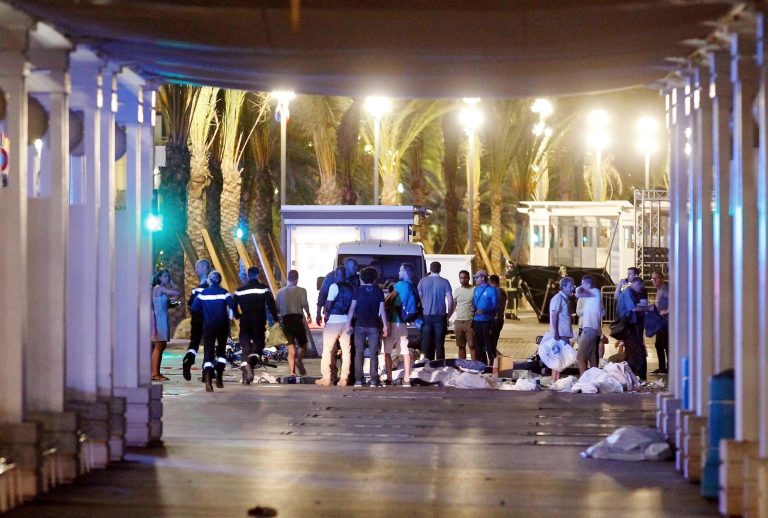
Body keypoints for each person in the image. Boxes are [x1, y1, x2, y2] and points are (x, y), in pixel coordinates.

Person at [234, 266, 279, 385]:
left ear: (248, 275)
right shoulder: (263, 289)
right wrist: (275, 318)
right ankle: (250, 364)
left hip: (245, 321)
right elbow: (271, 304)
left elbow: (233, 305)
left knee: (245, 347)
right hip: (258, 321)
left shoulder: (240, 290)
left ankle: (245, 374)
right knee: (258, 346)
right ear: (257, 275)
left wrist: (237, 315)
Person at [190, 271, 235, 392]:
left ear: (209, 280)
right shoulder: (224, 293)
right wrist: (231, 315)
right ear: (220, 281)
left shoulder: (203, 294)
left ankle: (208, 379)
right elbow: (232, 305)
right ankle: (219, 378)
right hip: (222, 326)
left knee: (208, 351)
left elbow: (194, 308)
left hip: (208, 326)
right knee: (221, 352)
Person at [344, 267, 388, 387]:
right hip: (374, 325)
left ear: (362, 278)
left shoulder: (358, 291)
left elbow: (352, 308)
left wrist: (348, 324)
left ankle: (358, 380)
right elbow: (382, 311)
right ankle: (373, 380)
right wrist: (385, 326)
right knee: (374, 353)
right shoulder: (378, 291)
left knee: (359, 353)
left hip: (359, 325)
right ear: (374, 278)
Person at [316, 266, 354, 387]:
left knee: (327, 350)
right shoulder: (351, 287)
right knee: (346, 351)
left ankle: (326, 377)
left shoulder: (334, 286)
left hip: (333, 321)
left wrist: (325, 313)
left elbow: (328, 304)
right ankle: (344, 378)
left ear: (336, 275)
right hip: (347, 321)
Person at [383, 263, 418, 387]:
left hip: (392, 322)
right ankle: (407, 379)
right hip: (403, 323)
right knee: (404, 351)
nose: (398, 273)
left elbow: (387, 303)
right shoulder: (413, 287)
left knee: (387, 351)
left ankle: (389, 378)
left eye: (400, 270)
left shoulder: (398, 285)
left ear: (405, 272)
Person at [276, 269, 313, 377]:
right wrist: (308, 314)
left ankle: (292, 373)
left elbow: (277, 308)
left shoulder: (279, 292)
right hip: (297, 320)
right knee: (303, 345)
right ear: (297, 279)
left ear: (287, 278)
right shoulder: (302, 291)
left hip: (286, 320)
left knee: (290, 348)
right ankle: (299, 359)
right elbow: (304, 304)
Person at [417, 261, 454, 361]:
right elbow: (450, 300)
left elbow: (418, 299)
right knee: (439, 344)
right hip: (440, 317)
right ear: (440, 269)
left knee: (426, 344)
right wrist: (448, 315)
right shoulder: (445, 282)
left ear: (430, 269)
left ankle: (427, 364)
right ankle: (440, 365)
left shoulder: (422, 281)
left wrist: (418, 313)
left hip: (426, 317)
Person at [182, 259, 211, 381]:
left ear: (204, 267)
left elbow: (190, 305)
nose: (195, 269)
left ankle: (188, 360)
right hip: (209, 320)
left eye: (197, 267)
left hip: (197, 320)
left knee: (194, 344)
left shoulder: (197, 289)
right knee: (209, 346)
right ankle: (207, 373)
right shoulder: (211, 287)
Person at [150, 269, 181, 382]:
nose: (168, 278)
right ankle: (155, 373)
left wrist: (169, 301)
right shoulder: (159, 288)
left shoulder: (159, 289)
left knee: (158, 346)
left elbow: (162, 303)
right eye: (165, 276)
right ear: (159, 278)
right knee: (159, 346)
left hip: (161, 318)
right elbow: (177, 292)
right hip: (160, 320)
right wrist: (172, 282)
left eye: (169, 276)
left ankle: (153, 372)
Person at [617, 276, 648, 380]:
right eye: (640, 286)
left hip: (627, 324)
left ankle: (631, 374)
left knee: (631, 350)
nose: (640, 289)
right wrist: (647, 307)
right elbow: (633, 308)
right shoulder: (628, 292)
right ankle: (636, 374)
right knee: (638, 349)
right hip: (628, 324)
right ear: (636, 283)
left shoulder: (627, 292)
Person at [317, 258, 360, 326]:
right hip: (332, 317)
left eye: (357, 266)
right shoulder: (331, 276)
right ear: (346, 266)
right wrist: (318, 313)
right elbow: (322, 294)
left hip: (349, 317)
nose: (356, 268)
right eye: (354, 265)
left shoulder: (356, 279)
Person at [574, 274, 602, 374]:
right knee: (592, 357)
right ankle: (594, 378)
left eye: (583, 283)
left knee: (580, 357)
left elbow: (578, 292)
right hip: (592, 329)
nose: (581, 285)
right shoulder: (591, 296)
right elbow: (578, 294)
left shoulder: (595, 292)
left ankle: (583, 380)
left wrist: (579, 287)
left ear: (588, 285)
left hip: (589, 329)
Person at [549, 276, 575, 382]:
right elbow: (554, 315)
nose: (572, 288)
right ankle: (555, 380)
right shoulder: (558, 298)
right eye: (570, 286)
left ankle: (555, 380)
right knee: (558, 358)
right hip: (560, 334)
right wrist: (556, 332)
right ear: (563, 287)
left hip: (563, 334)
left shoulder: (565, 299)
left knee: (560, 358)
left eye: (573, 286)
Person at [471, 270, 498, 366]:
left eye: (477, 277)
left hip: (487, 322)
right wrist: (473, 307)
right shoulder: (476, 289)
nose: (475, 279)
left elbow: (496, 307)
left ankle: (493, 365)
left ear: (483, 278)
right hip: (476, 321)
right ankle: (483, 365)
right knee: (479, 345)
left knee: (489, 345)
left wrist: (485, 311)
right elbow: (474, 303)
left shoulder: (492, 290)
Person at [451, 270, 476, 360]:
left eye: (465, 278)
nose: (463, 279)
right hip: (459, 322)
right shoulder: (457, 291)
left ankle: (474, 365)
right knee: (461, 346)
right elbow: (454, 304)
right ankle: (462, 365)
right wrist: (448, 316)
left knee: (472, 345)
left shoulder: (474, 289)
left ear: (468, 278)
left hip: (470, 321)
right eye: (461, 278)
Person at [649, 270, 670, 374]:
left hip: (666, 322)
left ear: (662, 278)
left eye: (656, 278)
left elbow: (673, 301)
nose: (654, 280)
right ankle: (662, 368)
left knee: (666, 345)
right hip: (660, 323)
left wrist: (665, 311)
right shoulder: (659, 290)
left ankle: (669, 367)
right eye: (652, 278)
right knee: (659, 345)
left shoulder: (665, 289)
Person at [488, 275, 507, 357]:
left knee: (489, 344)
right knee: (493, 342)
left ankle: (499, 358)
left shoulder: (494, 292)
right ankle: (494, 360)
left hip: (493, 320)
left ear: (490, 282)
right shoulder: (503, 291)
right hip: (500, 320)